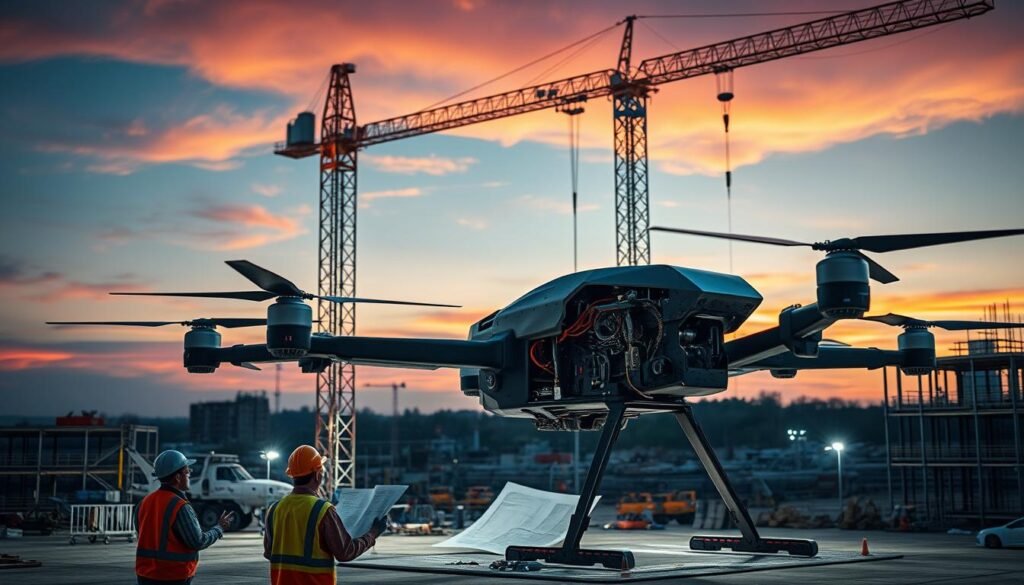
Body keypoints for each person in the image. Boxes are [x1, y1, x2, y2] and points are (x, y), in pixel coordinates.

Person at [263, 445, 387, 584]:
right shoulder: (322, 510)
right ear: (317, 474)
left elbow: (269, 553)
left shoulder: (275, 509)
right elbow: (345, 552)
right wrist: (373, 533)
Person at [136, 450, 234, 585]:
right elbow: (197, 541)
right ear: (177, 477)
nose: (189, 475)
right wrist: (219, 528)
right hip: (172, 576)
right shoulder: (179, 506)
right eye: (187, 472)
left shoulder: (144, 502)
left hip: (145, 574)